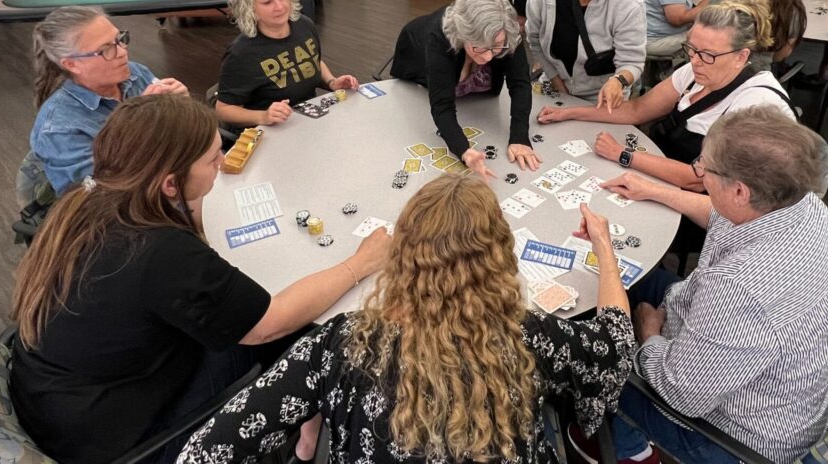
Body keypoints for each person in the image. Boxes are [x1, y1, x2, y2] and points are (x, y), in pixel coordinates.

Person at [10, 95, 390, 464]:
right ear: (169, 184)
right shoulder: (161, 252)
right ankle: (309, 444)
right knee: (305, 336)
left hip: (53, 404)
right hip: (120, 440)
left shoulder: (86, 197)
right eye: (212, 159)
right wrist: (359, 263)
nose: (222, 163)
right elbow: (268, 323)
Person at [177, 174, 635, 464]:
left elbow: (203, 452)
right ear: (499, 255)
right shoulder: (530, 336)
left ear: (405, 254)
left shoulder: (344, 342)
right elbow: (615, 346)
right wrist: (605, 252)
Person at [589, 107, 828, 464]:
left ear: (740, 191)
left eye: (705, 167)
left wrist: (649, 334)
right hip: (791, 390)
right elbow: (721, 215)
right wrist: (653, 191)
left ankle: (629, 450)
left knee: (593, 360)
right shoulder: (804, 205)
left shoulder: (740, 287)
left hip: (734, 437)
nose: (699, 171)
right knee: (640, 278)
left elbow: (680, 393)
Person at [537, 0, 794, 190]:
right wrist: (569, 112)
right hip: (658, 173)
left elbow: (697, 180)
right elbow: (637, 110)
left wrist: (623, 154)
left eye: (708, 55)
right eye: (691, 50)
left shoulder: (756, 106)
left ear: (742, 57)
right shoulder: (694, 72)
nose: (695, 61)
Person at [29, 5, 187, 195]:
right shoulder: (58, 129)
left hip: (168, 179)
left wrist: (181, 107)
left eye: (119, 39)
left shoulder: (135, 73)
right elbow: (98, 195)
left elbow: (176, 134)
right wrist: (141, 123)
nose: (122, 52)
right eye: (106, 49)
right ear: (72, 64)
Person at [391, 0, 539, 178]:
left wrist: (520, 136)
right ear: (463, 35)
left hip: (476, 97)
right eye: (480, 46)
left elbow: (519, 84)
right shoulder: (440, 37)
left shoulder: (507, 31)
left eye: (496, 46)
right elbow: (442, 106)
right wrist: (464, 151)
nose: (487, 56)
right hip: (418, 62)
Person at [216, 0, 357, 129]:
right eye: (268, 2)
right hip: (269, 131)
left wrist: (332, 82)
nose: (279, 6)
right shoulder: (241, 53)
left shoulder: (304, 25)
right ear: (250, 8)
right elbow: (223, 110)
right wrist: (264, 116)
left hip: (306, 121)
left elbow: (313, 61)